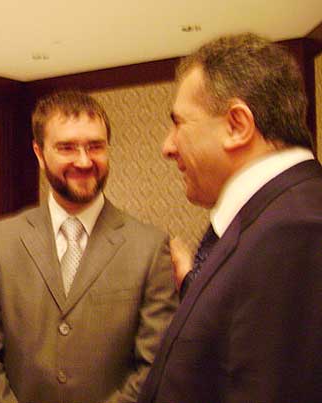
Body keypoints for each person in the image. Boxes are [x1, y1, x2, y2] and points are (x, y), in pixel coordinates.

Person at [0, 90, 178, 403]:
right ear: (39, 153)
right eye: (67, 147)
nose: (84, 161)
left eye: (95, 146)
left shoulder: (150, 248)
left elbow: (154, 366)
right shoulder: (1, 241)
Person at [137, 33, 322, 403]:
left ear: (237, 125)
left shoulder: (299, 233)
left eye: (179, 123)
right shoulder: (269, 222)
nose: (167, 147)